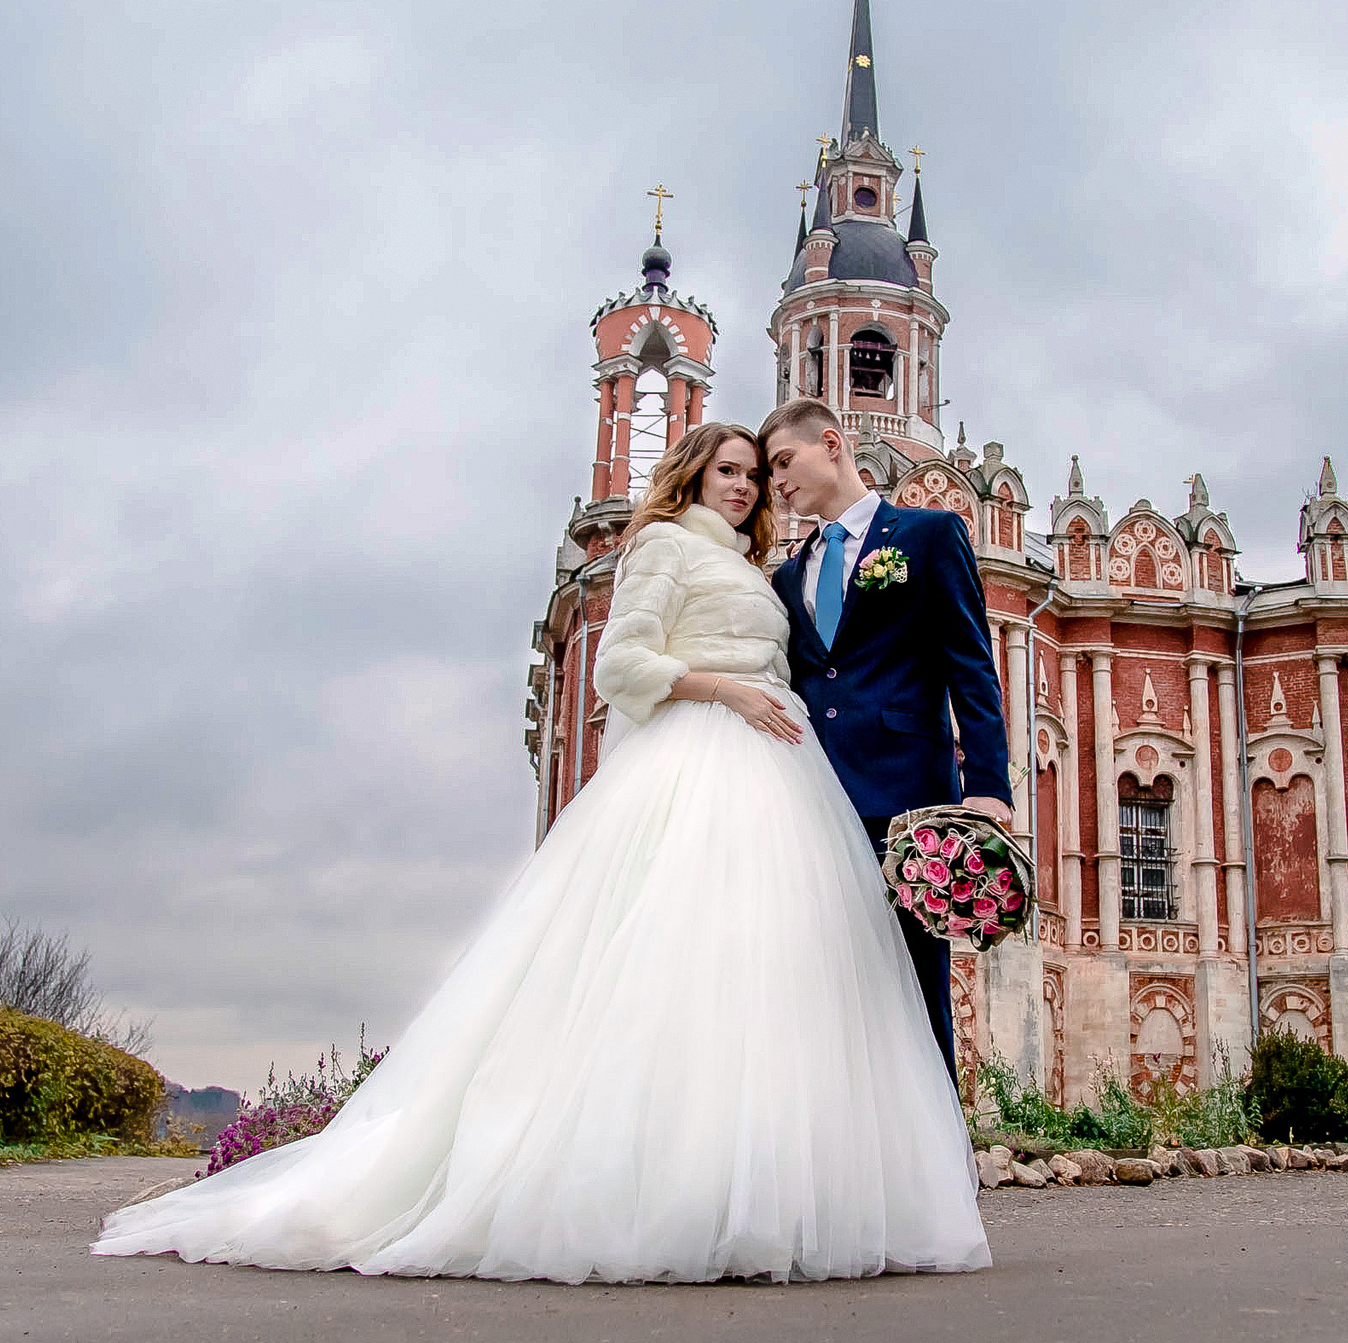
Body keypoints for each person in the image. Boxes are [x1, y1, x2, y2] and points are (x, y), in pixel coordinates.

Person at [91, 421, 988, 1283]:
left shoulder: (769, 565)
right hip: (706, 761)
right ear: (689, 475)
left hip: (789, 780)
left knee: (771, 982)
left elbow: (916, 662)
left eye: (757, 473)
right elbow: (620, 669)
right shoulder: (667, 546)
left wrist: (976, 782)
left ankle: (767, 1186)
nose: (750, 485)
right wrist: (725, 691)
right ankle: (655, 1188)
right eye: (731, 471)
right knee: (670, 969)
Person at [757, 398, 1014, 1086]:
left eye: (784, 462)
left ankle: (938, 1175)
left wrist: (988, 788)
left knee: (914, 989)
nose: (776, 482)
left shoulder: (928, 535)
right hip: (816, 802)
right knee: (822, 986)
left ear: (832, 444)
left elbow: (971, 668)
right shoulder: (788, 576)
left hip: (909, 803)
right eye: (768, 470)